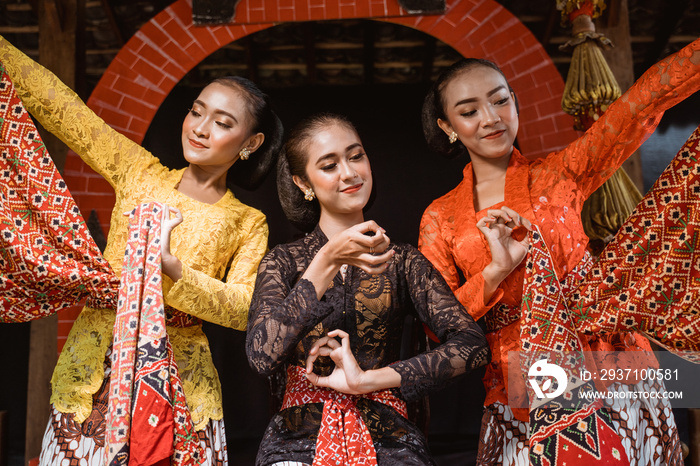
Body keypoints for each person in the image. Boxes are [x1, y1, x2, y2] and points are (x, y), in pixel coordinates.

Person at [0, 36, 283, 465]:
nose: (201, 129)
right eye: (197, 112)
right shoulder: (139, 171)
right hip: (95, 367)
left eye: (223, 123)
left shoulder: (247, 221)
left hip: (181, 385)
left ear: (251, 143)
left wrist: (174, 270)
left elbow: (245, 309)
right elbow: (65, 108)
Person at [418, 38, 700, 464]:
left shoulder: (560, 171)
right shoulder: (441, 217)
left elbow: (640, 105)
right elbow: (436, 327)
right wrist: (494, 272)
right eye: (469, 111)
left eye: (499, 101)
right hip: (524, 376)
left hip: (612, 356)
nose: (490, 118)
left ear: (515, 102)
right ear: (447, 126)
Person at [245, 113, 490, 466]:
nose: (349, 172)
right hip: (296, 438)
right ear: (303, 183)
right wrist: (327, 259)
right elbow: (260, 356)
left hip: (391, 435)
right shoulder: (282, 262)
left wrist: (367, 381)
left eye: (356, 156)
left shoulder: (403, 261)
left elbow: (472, 346)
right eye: (329, 165)